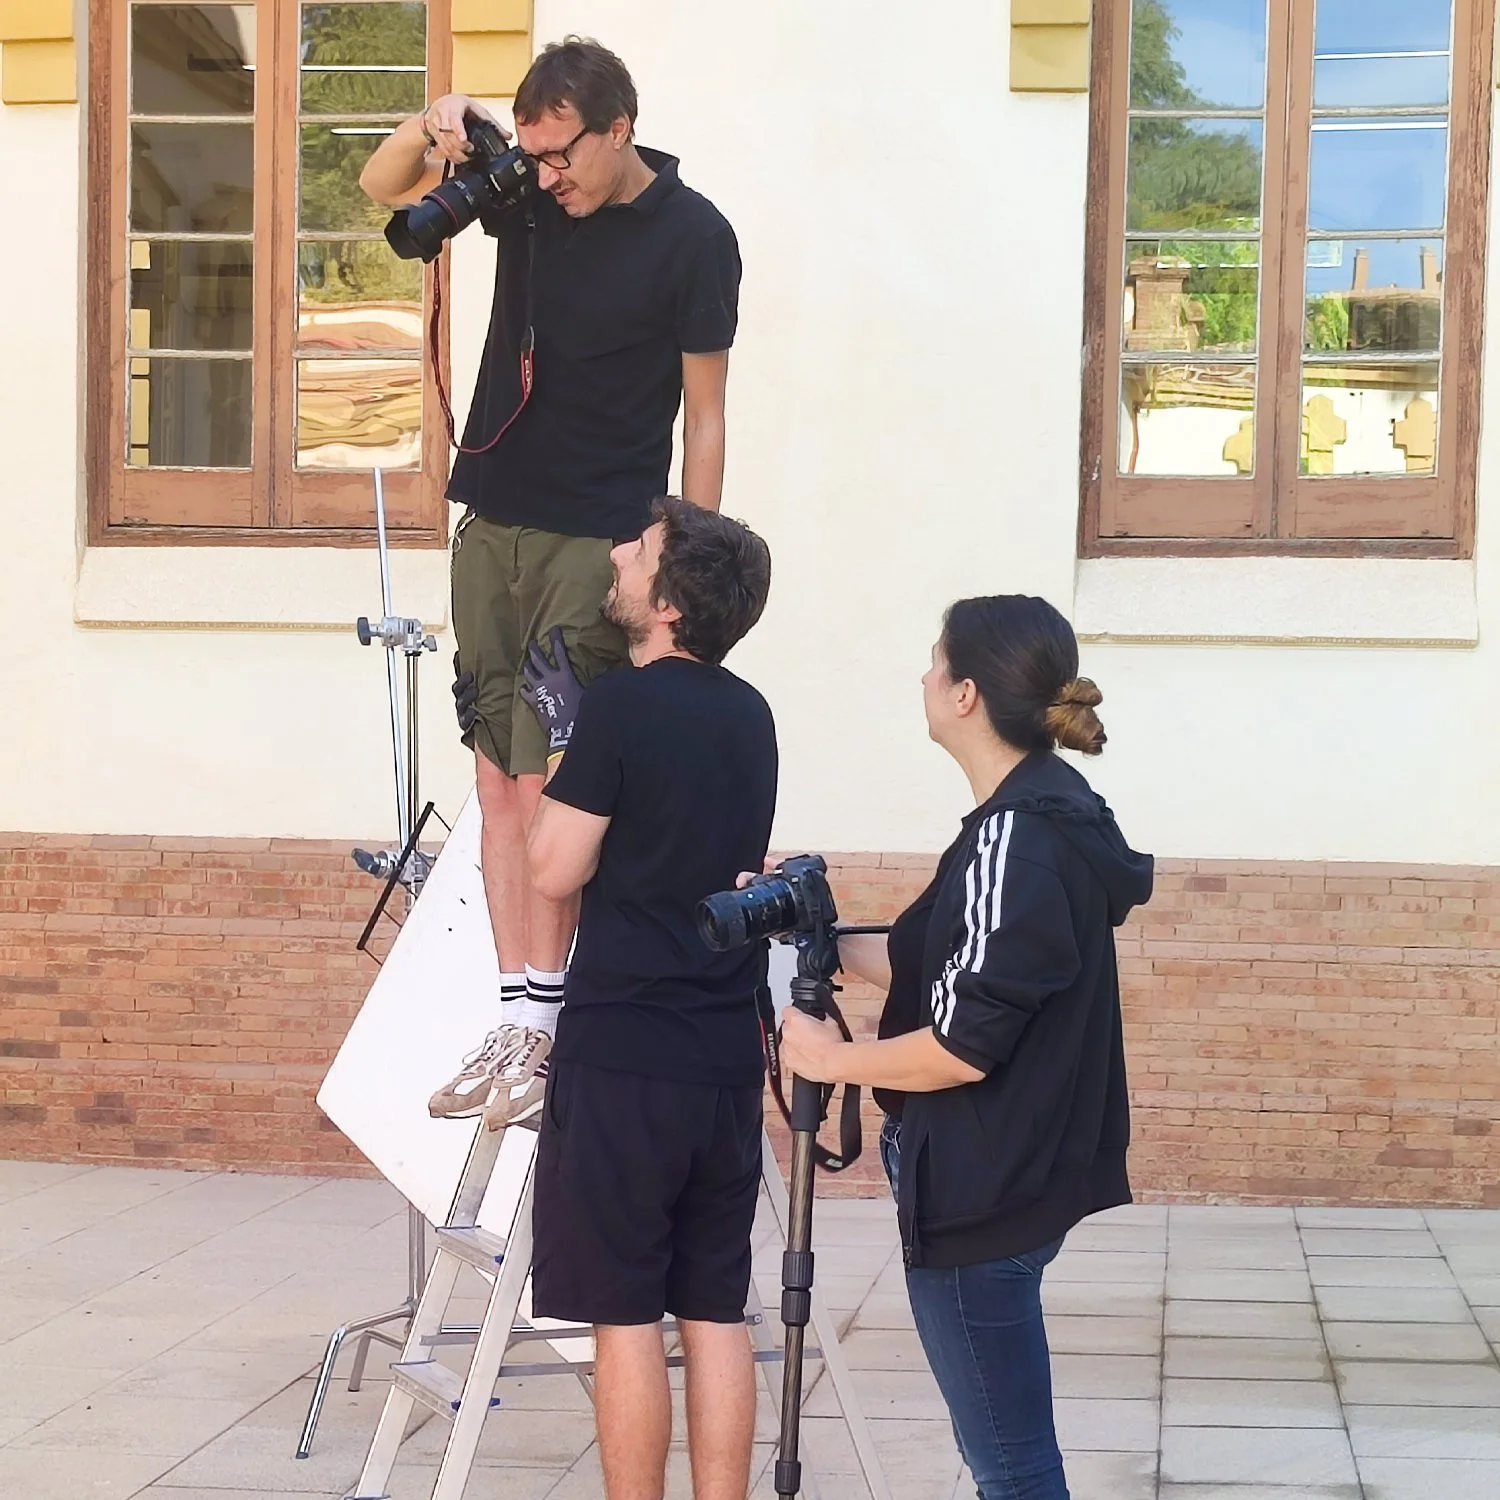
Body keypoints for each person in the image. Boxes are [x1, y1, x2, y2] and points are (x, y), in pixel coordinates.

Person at [359, 38, 741, 1123]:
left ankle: (552, 1019)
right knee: (492, 779)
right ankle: (516, 1013)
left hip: (599, 539)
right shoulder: (524, 189)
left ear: (618, 129)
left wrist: (685, 558)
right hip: (494, 521)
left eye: (562, 155)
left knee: (549, 785)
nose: (547, 176)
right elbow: (385, 190)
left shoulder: (695, 236)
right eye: (532, 154)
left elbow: (705, 413)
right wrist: (434, 124)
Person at [779, 595, 1153, 1500]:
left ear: (966, 695)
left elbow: (961, 1044)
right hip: (1018, 1171)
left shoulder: (1015, 842)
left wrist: (828, 1061)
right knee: (1011, 1456)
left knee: (1012, 1468)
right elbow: (944, 966)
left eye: (933, 661)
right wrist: (810, 934)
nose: (923, 675)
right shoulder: (1042, 818)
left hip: (984, 1192)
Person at [523, 497, 775, 1500]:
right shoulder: (752, 713)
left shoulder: (622, 707)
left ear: (669, 602)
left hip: (625, 1054)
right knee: (717, 1308)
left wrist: (560, 738)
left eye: (640, 551)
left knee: (624, 1315)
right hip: (721, 1057)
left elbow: (551, 867)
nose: (619, 558)